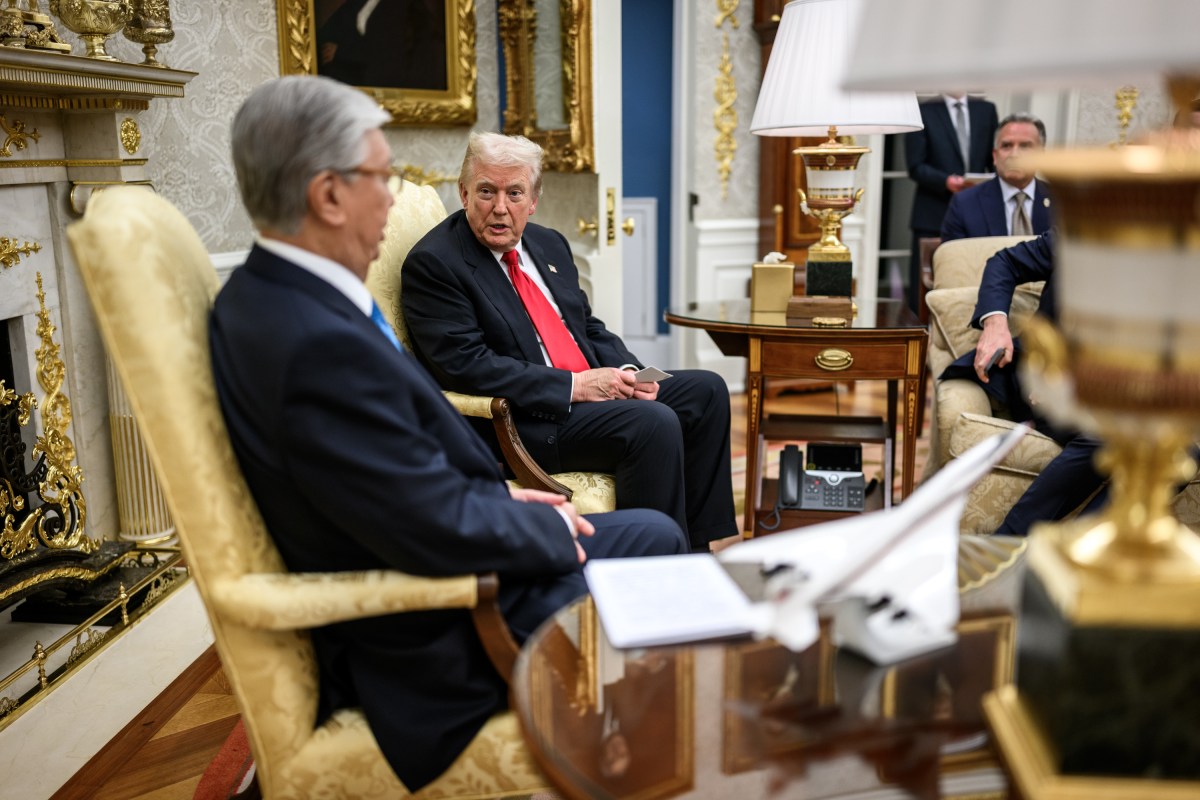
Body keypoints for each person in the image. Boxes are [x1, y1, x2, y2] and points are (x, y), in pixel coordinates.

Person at [210, 76, 688, 791]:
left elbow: (387, 480)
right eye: (383, 174)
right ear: (328, 195)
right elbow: (417, 528)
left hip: (454, 548)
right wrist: (542, 528)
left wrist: (501, 492)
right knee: (658, 558)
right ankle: (642, 757)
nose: (395, 194)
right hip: (437, 636)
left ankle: (645, 739)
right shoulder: (307, 339)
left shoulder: (288, 300)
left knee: (656, 535)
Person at [401, 132, 738, 552]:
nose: (500, 208)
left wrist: (628, 372)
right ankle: (656, 566)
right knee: (651, 422)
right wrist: (576, 386)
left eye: (514, 193)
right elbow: (466, 365)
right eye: (487, 192)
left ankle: (695, 551)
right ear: (465, 192)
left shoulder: (548, 244)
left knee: (706, 391)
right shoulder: (436, 264)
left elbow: (588, 327)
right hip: (528, 419)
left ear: (534, 199)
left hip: (586, 391)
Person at [905, 93, 999, 312]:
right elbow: (915, 166)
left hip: (976, 210)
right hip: (932, 211)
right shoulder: (923, 111)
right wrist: (946, 181)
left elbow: (993, 160)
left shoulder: (986, 110)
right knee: (925, 283)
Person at [940, 112, 1054, 241]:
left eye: (1025, 146)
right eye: (1006, 146)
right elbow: (954, 258)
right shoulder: (965, 204)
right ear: (995, 156)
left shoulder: (1061, 202)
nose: (1014, 155)